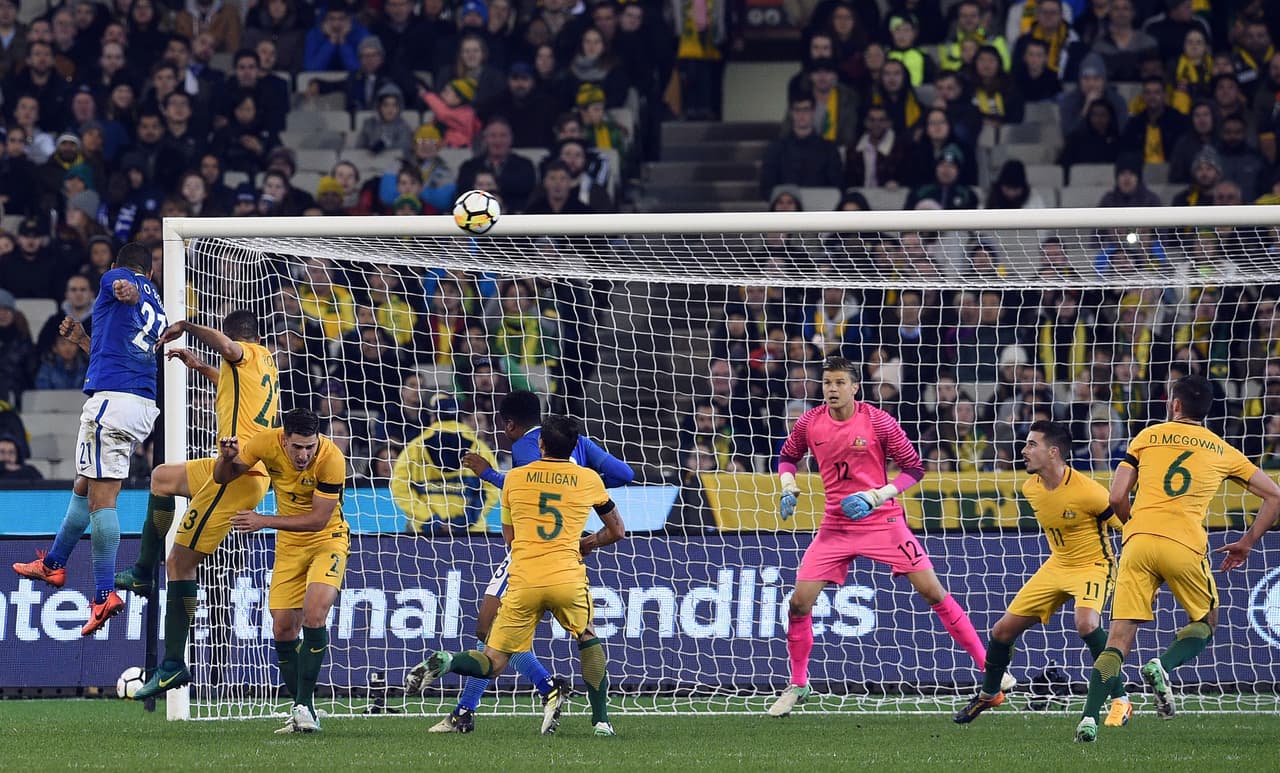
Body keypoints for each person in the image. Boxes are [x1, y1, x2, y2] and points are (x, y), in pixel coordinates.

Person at [768, 356, 1005, 716]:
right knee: (799, 604)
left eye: (839, 383)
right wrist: (788, 485)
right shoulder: (810, 422)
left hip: (883, 520)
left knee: (932, 591)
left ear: (855, 387)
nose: (831, 389)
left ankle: (990, 668)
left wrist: (877, 495)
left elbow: (914, 468)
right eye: (827, 383)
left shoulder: (878, 420)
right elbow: (786, 457)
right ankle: (798, 684)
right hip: (836, 524)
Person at [1074, 375, 1280, 742]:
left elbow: (1117, 497)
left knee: (1117, 641)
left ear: (1175, 405)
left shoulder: (1146, 437)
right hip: (1184, 543)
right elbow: (1275, 496)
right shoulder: (1221, 449)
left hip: (1137, 540)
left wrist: (1135, 528)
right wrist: (1247, 542)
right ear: (1206, 409)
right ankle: (1163, 666)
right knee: (1206, 620)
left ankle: (1088, 720)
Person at [406, 414, 626, 737]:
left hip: (523, 580)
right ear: (574, 447)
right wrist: (588, 542)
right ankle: (602, 722)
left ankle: (449, 661)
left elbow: (509, 540)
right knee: (587, 636)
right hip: (566, 577)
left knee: (493, 659)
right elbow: (617, 531)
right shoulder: (589, 479)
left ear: (540, 444)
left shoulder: (514, 479)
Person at [116, 311, 278, 700]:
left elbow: (227, 346)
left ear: (234, 335)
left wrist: (187, 326)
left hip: (240, 473)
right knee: (161, 477)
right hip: (241, 465)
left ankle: (172, 666)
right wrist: (201, 365)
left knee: (179, 564)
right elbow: (230, 384)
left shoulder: (244, 353)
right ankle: (141, 571)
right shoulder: (264, 364)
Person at [11, 242, 165, 636]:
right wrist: (82, 338)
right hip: (139, 402)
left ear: (121, 267)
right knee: (83, 486)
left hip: (111, 405)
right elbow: (114, 352)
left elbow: (119, 285)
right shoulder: (158, 304)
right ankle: (53, 564)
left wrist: (122, 285)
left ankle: (102, 595)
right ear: (151, 273)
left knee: (102, 500)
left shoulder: (119, 278)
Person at [953, 421, 1131, 726]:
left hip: (1094, 565)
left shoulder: (1089, 492)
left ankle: (1121, 699)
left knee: (1087, 624)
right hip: (1057, 565)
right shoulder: (1030, 487)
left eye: (1031, 445)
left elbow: (1128, 528)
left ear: (1053, 452)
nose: (1024, 451)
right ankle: (990, 693)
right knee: (1001, 632)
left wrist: (1143, 574)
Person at [214, 407, 349, 735]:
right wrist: (226, 458)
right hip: (289, 546)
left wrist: (263, 521)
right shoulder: (264, 443)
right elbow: (223, 477)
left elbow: (318, 519)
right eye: (297, 447)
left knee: (315, 614)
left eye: (310, 447)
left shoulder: (331, 459)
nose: (304, 455)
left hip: (327, 539)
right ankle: (305, 710)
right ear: (283, 439)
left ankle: (303, 706)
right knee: (283, 629)